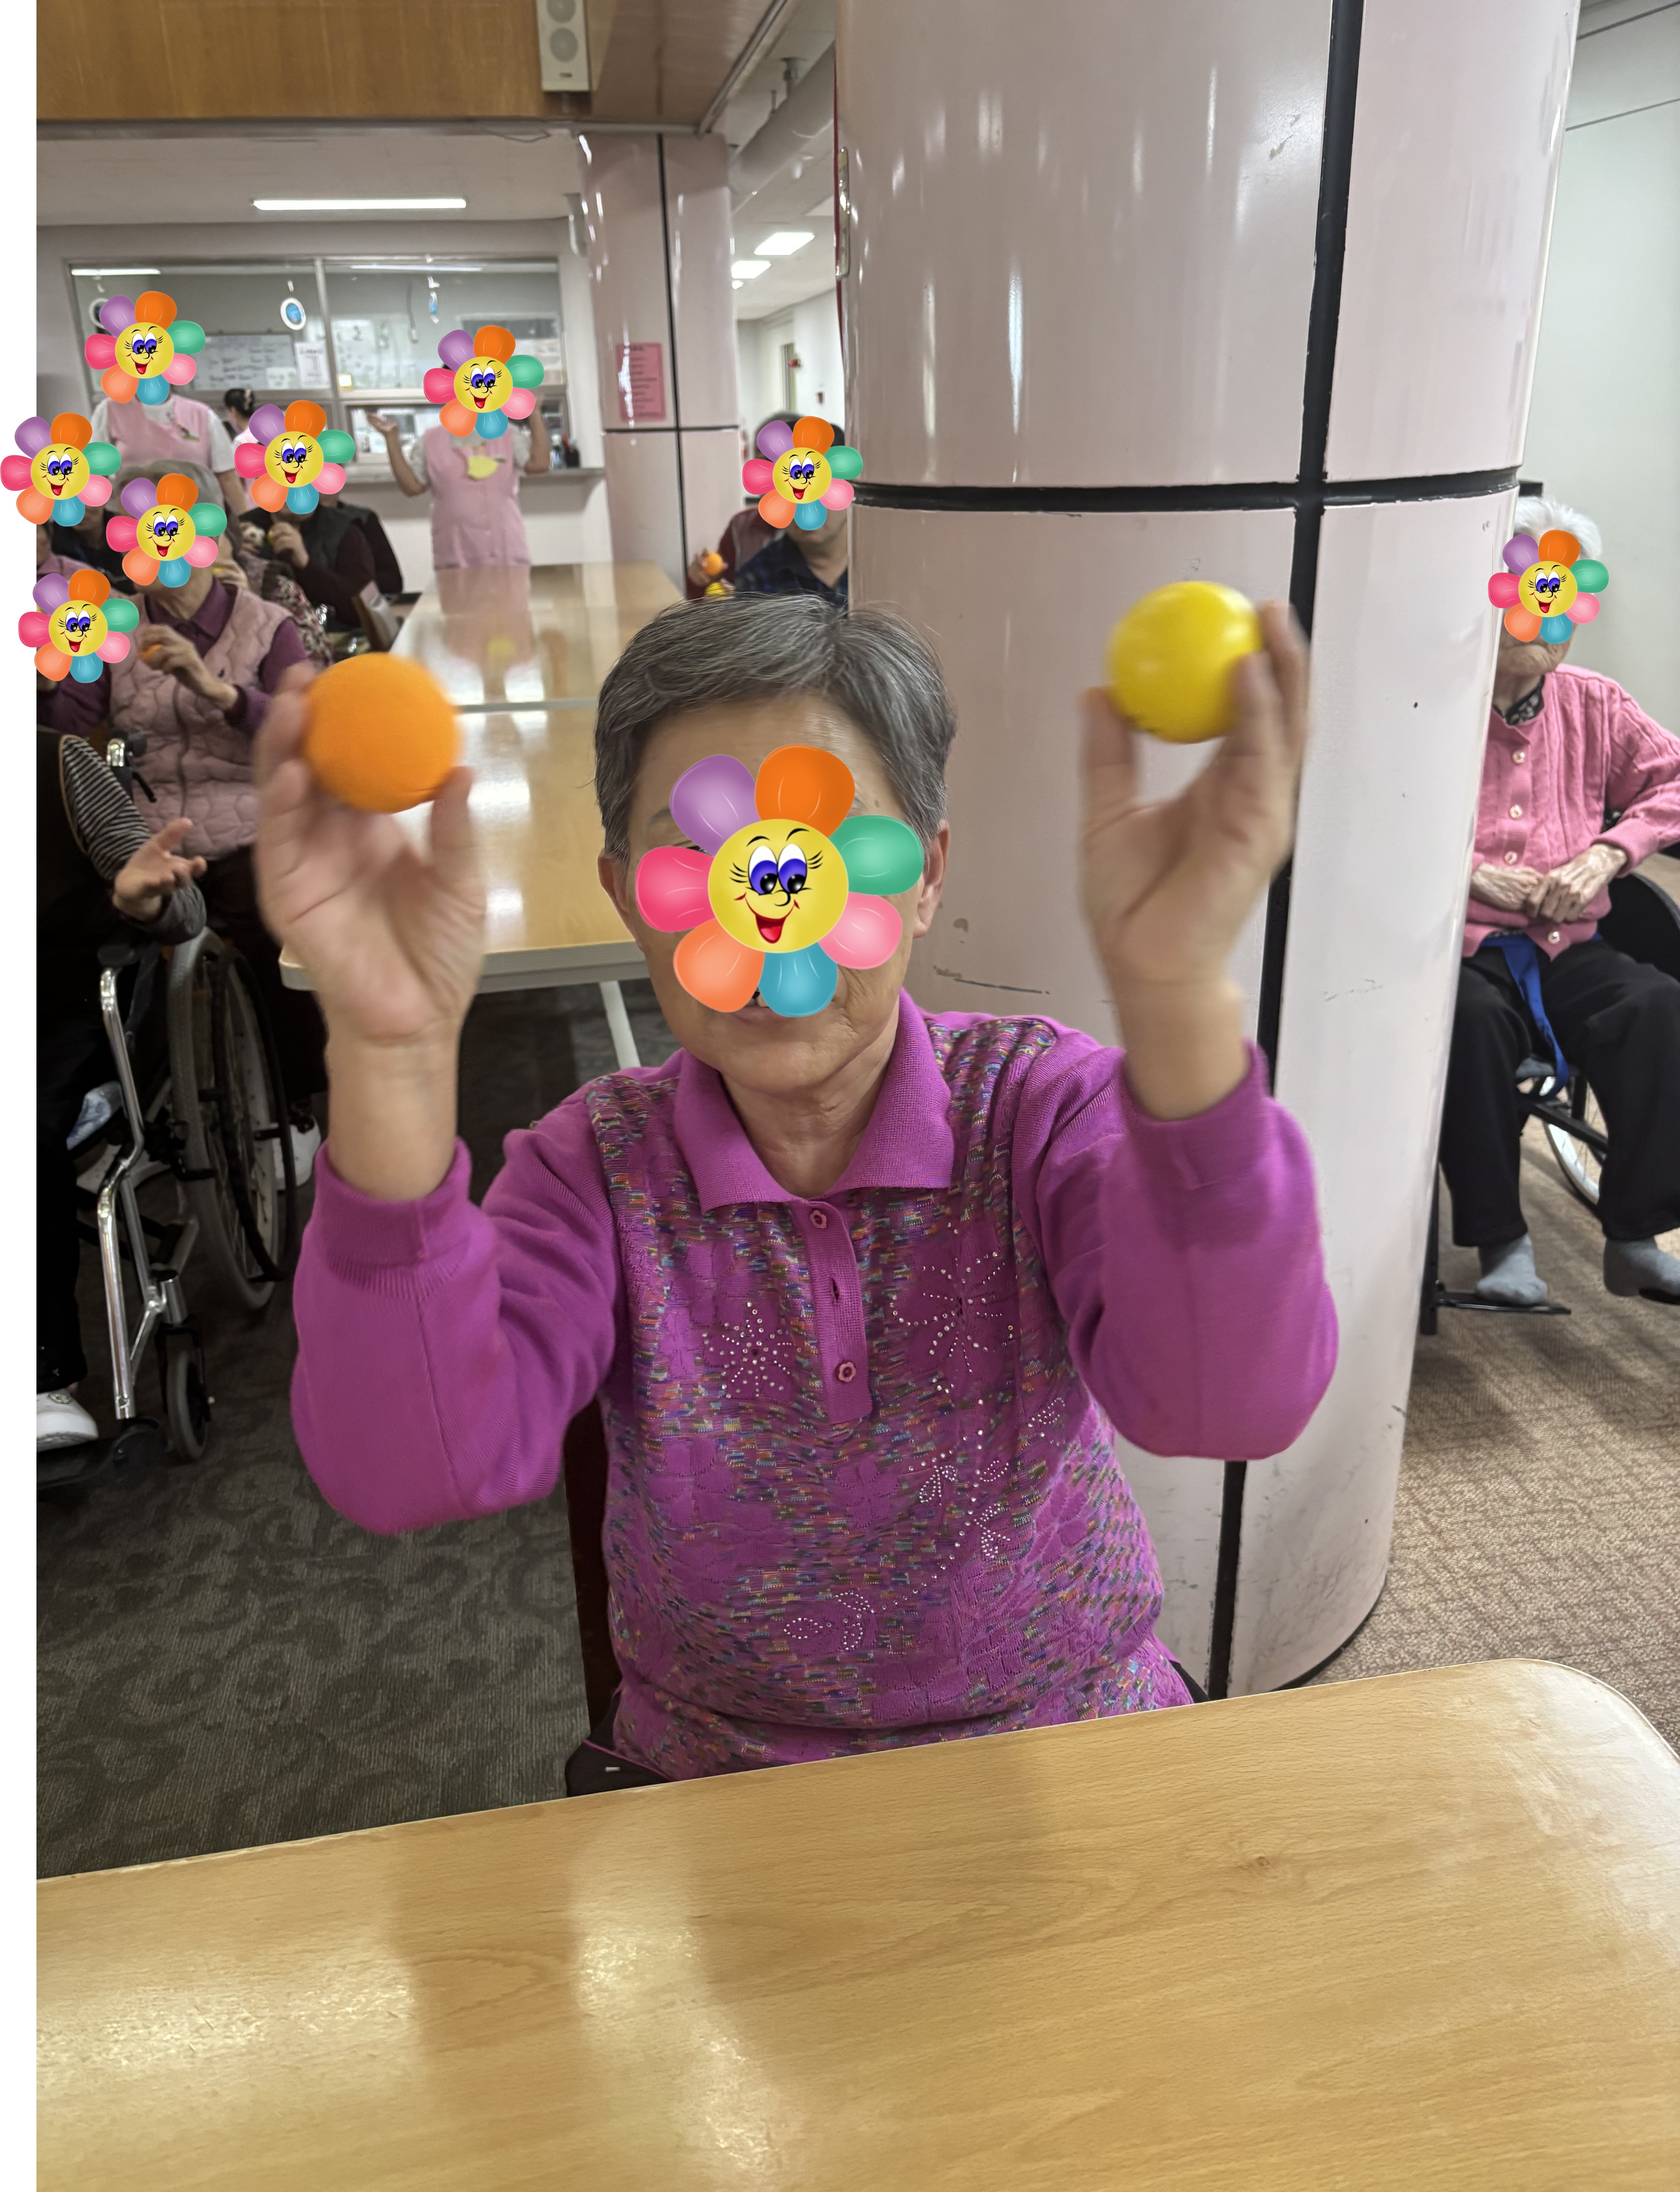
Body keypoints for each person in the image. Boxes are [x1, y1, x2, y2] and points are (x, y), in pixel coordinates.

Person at [258, 592, 1337, 1788]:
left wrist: (1177, 992)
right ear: (624, 892)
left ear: (923, 875)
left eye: (822, 848)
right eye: (699, 853)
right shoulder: (592, 1168)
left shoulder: (1040, 1110)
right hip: (723, 1784)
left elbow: (1228, 1405)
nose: (768, 916)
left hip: (1072, 1741)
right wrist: (393, 1054)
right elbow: (413, 1467)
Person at [1443, 496, 1680, 1307]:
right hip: (1459, 949)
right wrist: (1464, 873)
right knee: (1466, 1025)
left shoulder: (1594, 703)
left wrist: (1608, 852)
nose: (1547, 624)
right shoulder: (1429, 705)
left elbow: (1672, 781)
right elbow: (1364, 810)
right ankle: (1500, 1242)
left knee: (1655, 1007)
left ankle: (1633, 1237)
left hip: (1567, 946)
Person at [51, 490, 325, 1154]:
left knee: (274, 934)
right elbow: (67, 732)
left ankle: (294, 1097)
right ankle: (117, 1104)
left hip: (249, 817)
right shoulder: (115, 626)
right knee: (82, 931)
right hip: (143, 829)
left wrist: (217, 689)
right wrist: (50, 677)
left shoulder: (266, 624)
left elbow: (306, 733)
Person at [38, 729, 206, 1449]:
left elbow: (187, 911)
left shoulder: (56, 763)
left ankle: (43, 1374)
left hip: (62, 1007)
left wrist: (142, 901)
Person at [365, 401, 550, 569]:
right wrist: (391, 439)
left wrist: (534, 413)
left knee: (511, 596)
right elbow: (413, 487)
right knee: (458, 596)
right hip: (455, 551)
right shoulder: (430, 441)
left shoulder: (508, 434)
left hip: (506, 548)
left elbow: (539, 465)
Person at [684, 413, 798, 599]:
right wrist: (701, 581)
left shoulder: (827, 531)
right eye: (761, 458)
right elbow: (711, 596)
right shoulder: (741, 527)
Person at [90, 385, 247, 517]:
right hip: (137, 518)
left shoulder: (202, 415)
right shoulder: (110, 411)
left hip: (196, 517)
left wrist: (245, 521)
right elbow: (97, 475)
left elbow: (227, 477)